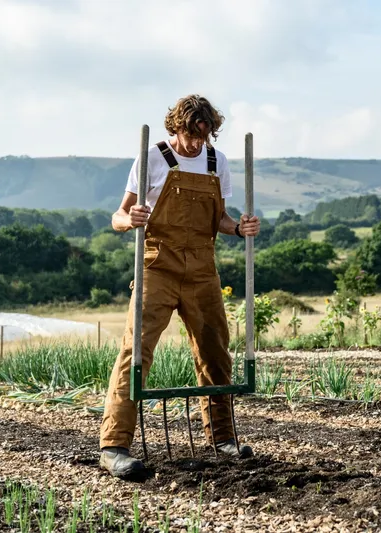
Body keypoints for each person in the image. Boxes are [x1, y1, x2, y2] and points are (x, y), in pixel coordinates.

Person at [99, 95, 260, 479]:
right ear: (177, 127)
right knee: (135, 352)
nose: (195, 144)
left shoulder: (215, 162)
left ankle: (223, 438)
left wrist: (238, 228)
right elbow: (117, 216)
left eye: (203, 137)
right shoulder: (151, 157)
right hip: (158, 266)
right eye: (190, 135)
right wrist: (131, 218)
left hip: (203, 269)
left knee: (215, 353)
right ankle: (114, 446)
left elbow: (218, 217)